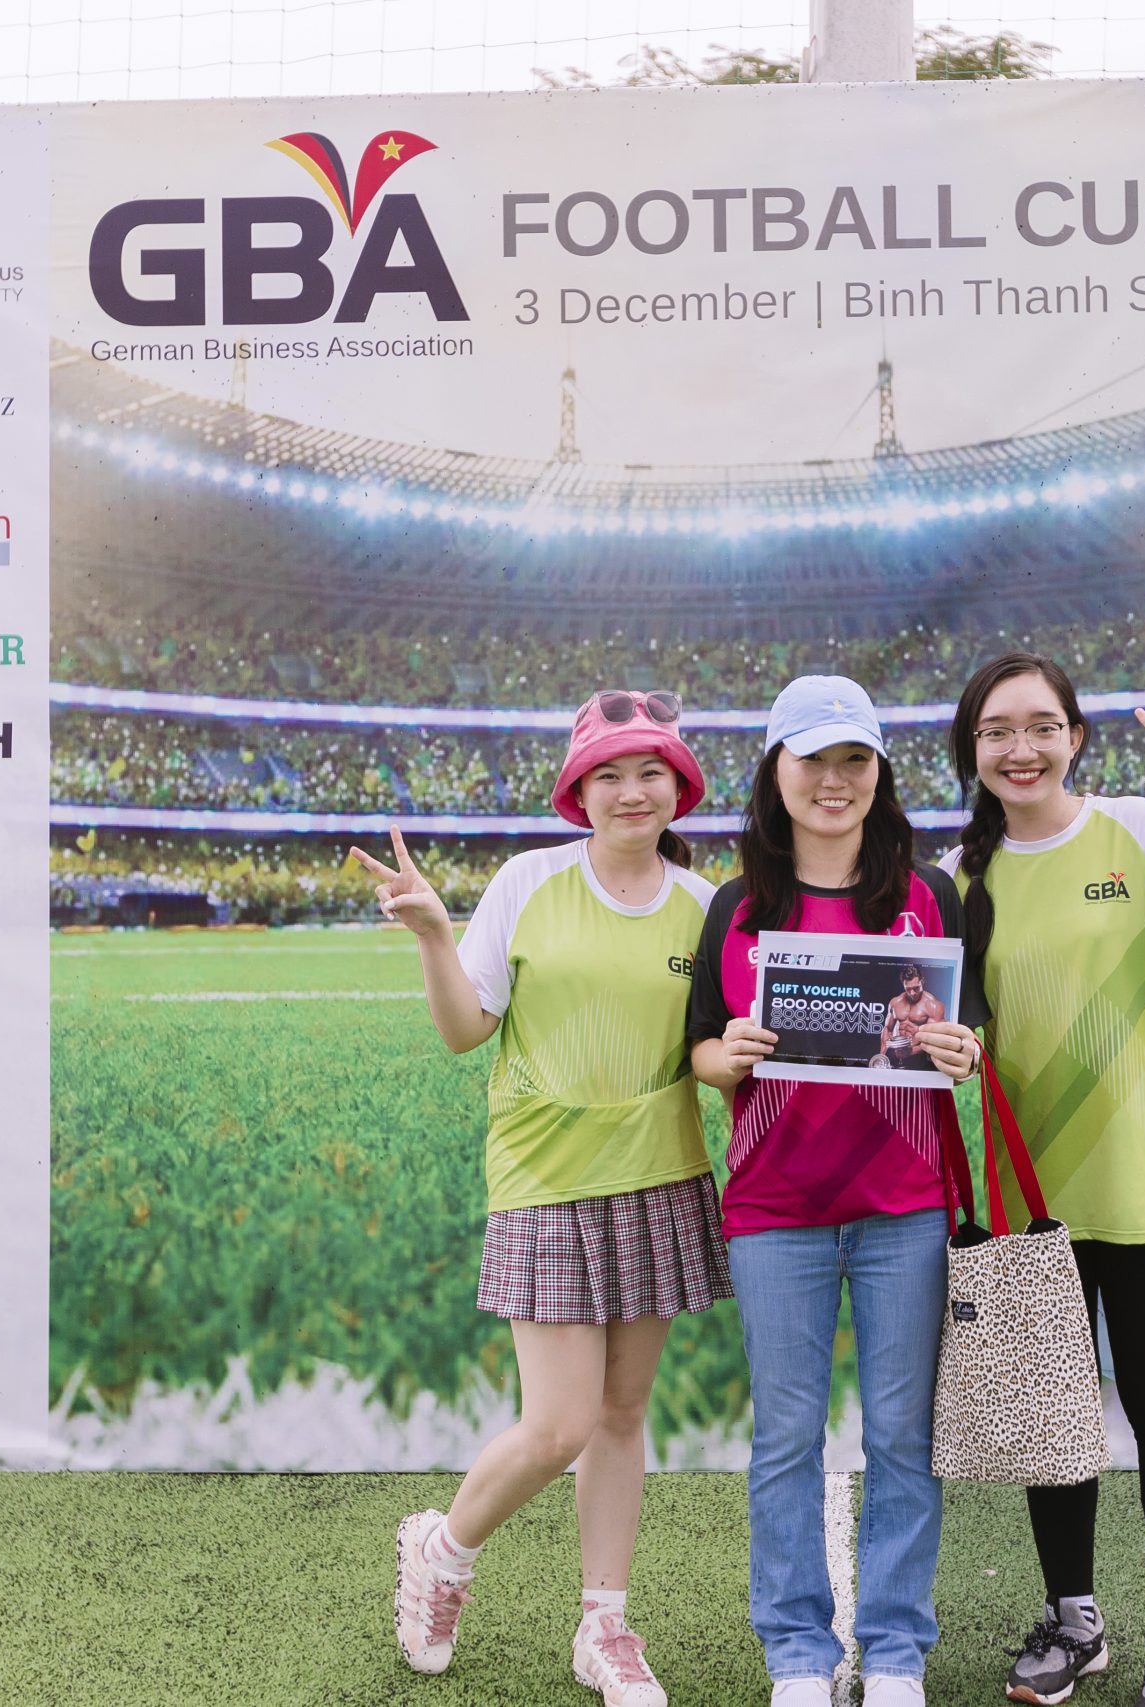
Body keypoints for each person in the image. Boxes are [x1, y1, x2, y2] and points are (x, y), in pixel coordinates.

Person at [357, 690, 730, 1707]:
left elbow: (717, 1052)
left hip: (659, 1176)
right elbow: (465, 1030)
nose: (631, 790)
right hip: (547, 1181)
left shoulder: (707, 908)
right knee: (559, 1424)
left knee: (623, 1413)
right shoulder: (529, 881)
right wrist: (434, 935)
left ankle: (605, 1625)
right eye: (608, 773)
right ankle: (443, 1548)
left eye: (649, 771)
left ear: (679, 787)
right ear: (578, 790)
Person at [942, 654, 1145, 1707]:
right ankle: (1074, 1623)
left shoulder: (1135, 829)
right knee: (1054, 1414)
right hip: (1030, 1196)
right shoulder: (959, 878)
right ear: (972, 748)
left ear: (1075, 737)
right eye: (998, 731)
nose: (1021, 749)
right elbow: (952, 1036)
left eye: (1041, 726)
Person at [686, 676, 983, 1707]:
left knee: (902, 1435)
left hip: (905, 1208)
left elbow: (969, 1029)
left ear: (878, 772)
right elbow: (700, 1049)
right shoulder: (736, 907)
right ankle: (798, 1655)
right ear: (776, 769)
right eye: (812, 758)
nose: (833, 779)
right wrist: (724, 1055)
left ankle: (895, 1652)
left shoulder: (927, 894)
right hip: (775, 1212)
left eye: (854, 759)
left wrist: (961, 1048)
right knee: (786, 1440)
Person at [880, 966, 945, 1071]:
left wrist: (911, 1051)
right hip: (896, 1053)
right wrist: (882, 1056)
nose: (912, 993)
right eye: (908, 989)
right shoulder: (895, 1002)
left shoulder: (933, 1005)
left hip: (919, 1056)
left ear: (922, 981)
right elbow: (887, 1028)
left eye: (916, 988)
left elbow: (934, 1039)